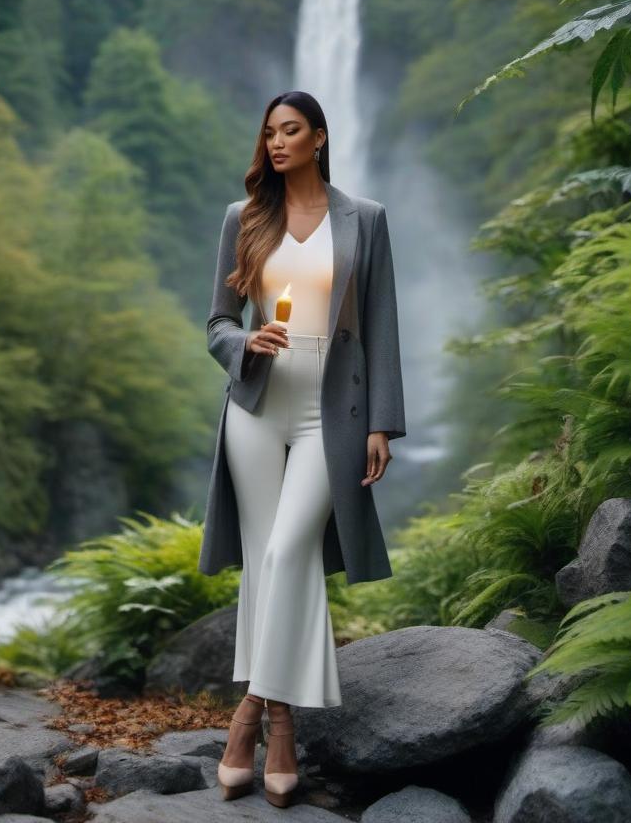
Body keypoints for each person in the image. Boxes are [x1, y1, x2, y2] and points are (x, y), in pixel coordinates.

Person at [202, 90, 406, 807]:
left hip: (334, 408)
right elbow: (216, 324)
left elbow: (381, 324)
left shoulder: (366, 220)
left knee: (290, 553)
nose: (277, 142)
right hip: (257, 402)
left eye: (290, 130)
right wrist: (243, 343)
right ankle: (282, 728)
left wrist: (382, 422)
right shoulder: (244, 218)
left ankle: (250, 714)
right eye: (269, 132)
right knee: (266, 561)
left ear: (319, 137)